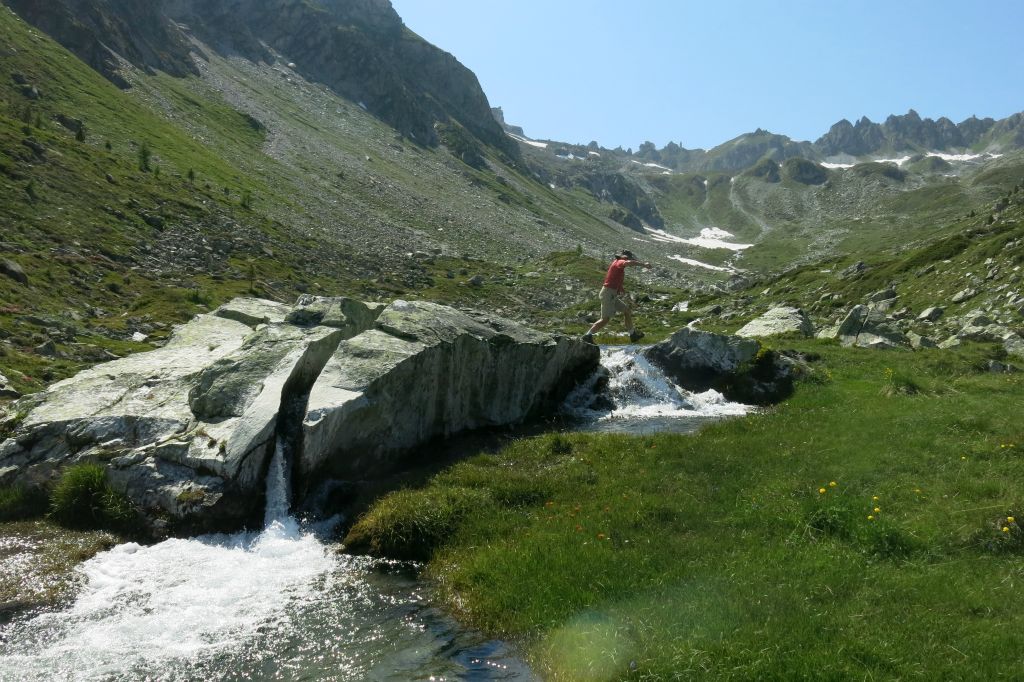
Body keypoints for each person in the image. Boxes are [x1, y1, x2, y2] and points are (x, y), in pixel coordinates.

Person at [582, 249, 651, 344]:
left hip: (611, 294)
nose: (628, 260)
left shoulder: (618, 265)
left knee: (627, 310)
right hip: (608, 294)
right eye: (628, 258)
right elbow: (628, 262)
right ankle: (587, 336)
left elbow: (614, 279)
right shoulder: (620, 262)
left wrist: (620, 289)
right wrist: (643, 264)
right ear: (625, 257)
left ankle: (633, 335)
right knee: (605, 319)